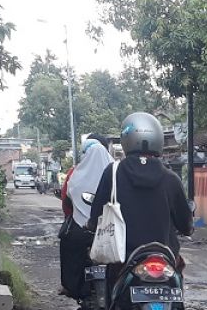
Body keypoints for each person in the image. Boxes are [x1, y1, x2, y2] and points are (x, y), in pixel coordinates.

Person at [87, 112, 193, 268]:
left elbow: (96, 215)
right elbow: (185, 225)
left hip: (122, 259)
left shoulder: (113, 173)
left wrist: (91, 225)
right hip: (164, 259)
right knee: (177, 272)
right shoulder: (171, 179)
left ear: (126, 140)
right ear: (158, 139)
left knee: (109, 278)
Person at [58, 135, 113, 298]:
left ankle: (71, 286)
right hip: (111, 229)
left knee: (67, 245)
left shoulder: (75, 174)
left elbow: (66, 200)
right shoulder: (117, 171)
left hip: (81, 229)